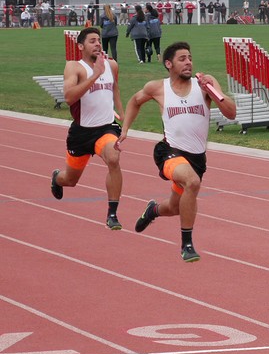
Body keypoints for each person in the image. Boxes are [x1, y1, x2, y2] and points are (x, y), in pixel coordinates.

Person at [118, 41, 237, 262]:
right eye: (182, 59)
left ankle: (153, 210)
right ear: (168, 64)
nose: (188, 62)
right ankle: (187, 244)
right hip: (169, 152)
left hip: (196, 158)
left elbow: (231, 113)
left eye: (190, 58)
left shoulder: (205, 85)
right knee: (192, 182)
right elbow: (135, 102)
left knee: (174, 207)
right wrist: (125, 129)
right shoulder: (158, 88)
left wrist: (212, 90)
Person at [50, 27, 125, 230]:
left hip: (106, 128)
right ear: (81, 46)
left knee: (113, 158)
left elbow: (115, 89)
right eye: (92, 41)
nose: (98, 44)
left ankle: (112, 214)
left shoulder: (112, 65)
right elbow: (69, 97)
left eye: (99, 40)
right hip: (82, 133)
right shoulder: (74, 67)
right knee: (70, 180)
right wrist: (95, 75)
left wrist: (123, 116)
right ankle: (57, 178)